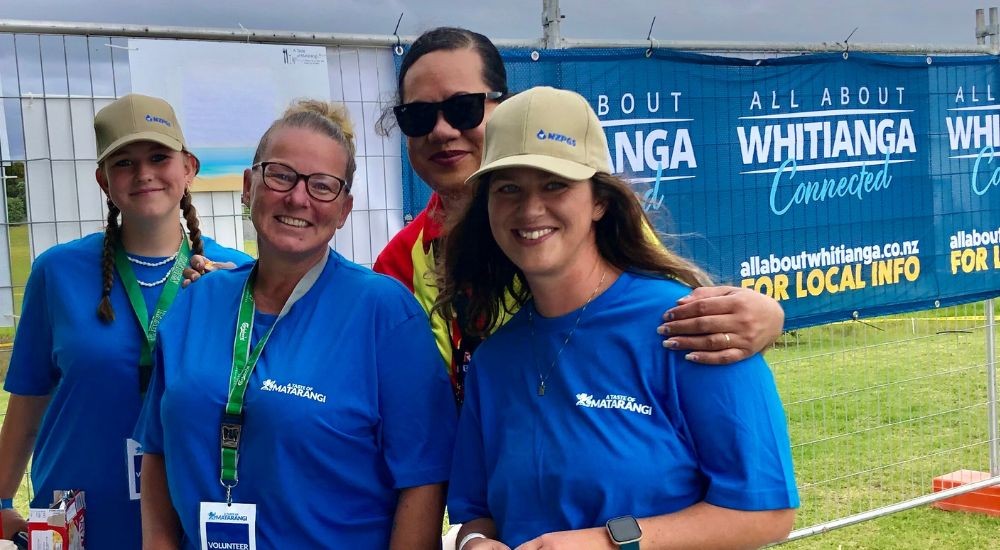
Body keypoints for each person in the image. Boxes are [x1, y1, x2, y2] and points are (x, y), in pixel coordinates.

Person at [441, 86, 798, 549]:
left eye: (555, 184)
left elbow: (766, 512)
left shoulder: (693, 325)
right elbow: (475, 513)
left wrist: (611, 543)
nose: (530, 209)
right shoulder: (493, 361)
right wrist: (474, 544)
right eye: (508, 188)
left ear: (599, 201)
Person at [374, 27, 786, 404]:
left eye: (463, 109)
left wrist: (761, 319)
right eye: (419, 116)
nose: (441, 131)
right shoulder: (397, 263)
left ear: (505, 106)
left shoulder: (591, 222)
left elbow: (674, 324)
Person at [136, 100, 456, 549]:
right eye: (281, 175)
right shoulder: (196, 305)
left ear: (344, 209)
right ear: (249, 187)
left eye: (322, 186)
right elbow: (157, 449)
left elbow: (424, 480)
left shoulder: (385, 315)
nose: (298, 197)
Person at [0, 94, 249, 547]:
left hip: (186, 512)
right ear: (103, 180)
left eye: (159, 157)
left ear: (189, 167)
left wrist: (226, 308)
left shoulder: (234, 277)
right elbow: (27, 406)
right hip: (77, 519)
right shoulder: (56, 273)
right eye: (124, 163)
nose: (144, 174)